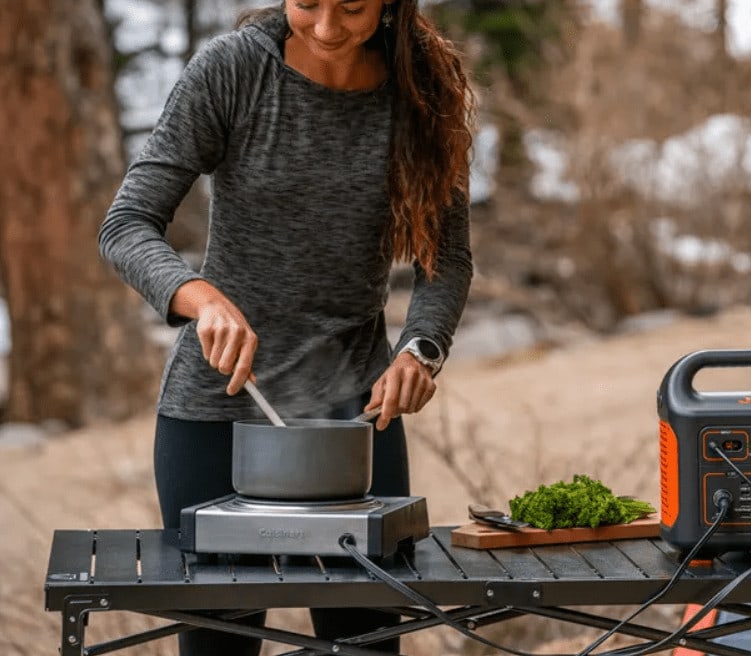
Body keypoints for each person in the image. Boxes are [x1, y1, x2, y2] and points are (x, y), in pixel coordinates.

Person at [98, 0, 475, 654]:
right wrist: (197, 296)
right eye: (307, 4)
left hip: (357, 421)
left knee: (366, 641)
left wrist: (421, 349)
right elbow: (127, 224)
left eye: (352, 7)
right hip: (215, 417)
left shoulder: (421, 94)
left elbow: (447, 258)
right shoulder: (233, 71)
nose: (327, 27)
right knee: (221, 641)